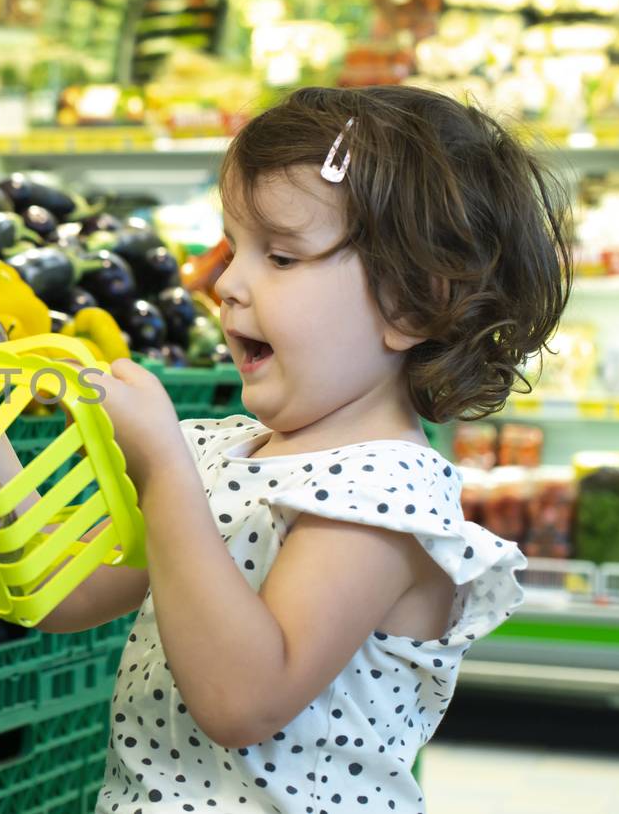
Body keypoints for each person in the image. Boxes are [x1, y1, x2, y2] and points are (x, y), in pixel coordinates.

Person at [36, 86, 573, 814]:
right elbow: (69, 590)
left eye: (281, 257)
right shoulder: (222, 452)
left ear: (412, 302)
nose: (226, 284)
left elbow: (243, 700)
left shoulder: (382, 495)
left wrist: (161, 473)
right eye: (234, 248)